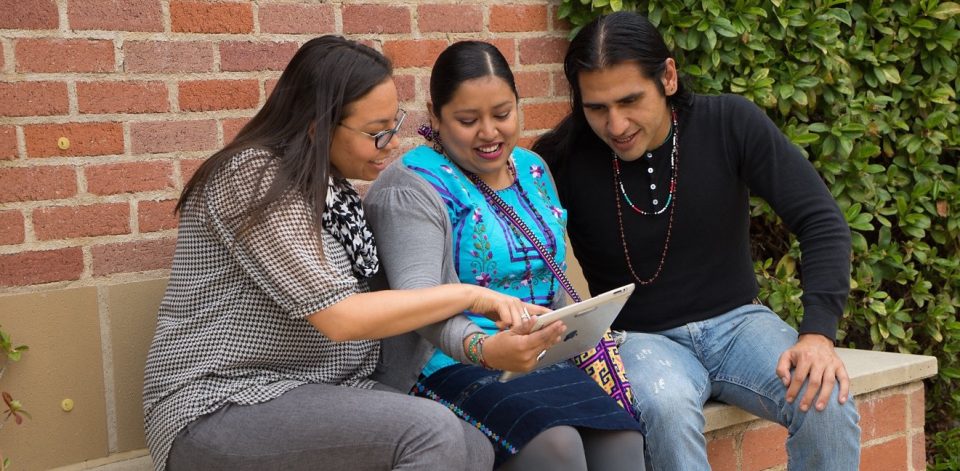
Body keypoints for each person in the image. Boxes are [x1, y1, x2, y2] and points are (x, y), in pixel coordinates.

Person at [142, 35, 563, 471]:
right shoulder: (254, 176)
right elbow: (343, 317)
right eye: (376, 133)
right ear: (318, 125)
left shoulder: (335, 194)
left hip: (326, 389)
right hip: (223, 401)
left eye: (393, 127)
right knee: (431, 432)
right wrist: (473, 297)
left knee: (472, 446)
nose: (391, 145)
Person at [532, 11, 861, 470]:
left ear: (667, 76)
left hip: (741, 326)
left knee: (825, 398)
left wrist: (817, 335)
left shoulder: (729, 122)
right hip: (639, 339)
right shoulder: (558, 158)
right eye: (596, 108)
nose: (616, 124)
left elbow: (821, 219)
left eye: (630, 100)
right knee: (664, 408)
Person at [364, 40, 645, 471]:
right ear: (435, 116)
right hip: (446, 364)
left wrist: (584, 328)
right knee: (556, 446)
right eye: (467, 120)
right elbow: (417, 305)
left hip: (536, 355)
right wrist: (490, 348)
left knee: (621, 438)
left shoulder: (533, 169)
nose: (490, 133)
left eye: (502, 114)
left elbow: (554, 281)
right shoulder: (412, 188)